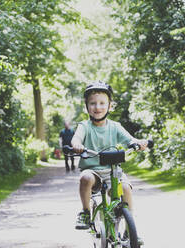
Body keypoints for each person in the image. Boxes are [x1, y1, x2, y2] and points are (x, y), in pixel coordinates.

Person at [71, 81, 148, 235]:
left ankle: (129, 229)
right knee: (85, 178)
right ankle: (85, 213)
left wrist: (137, 143)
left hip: (113, 172)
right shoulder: (85, 126)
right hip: (94, 173)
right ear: (87, 106)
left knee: (125, 188)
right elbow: (76, 139)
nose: (97, 107)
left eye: (102, 103)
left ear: (110, 106)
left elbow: (129, 139)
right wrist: (77, 144)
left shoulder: (115, 126)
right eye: (92, 103)